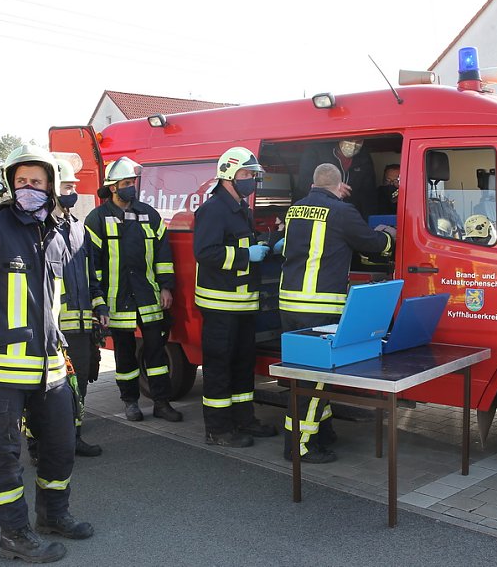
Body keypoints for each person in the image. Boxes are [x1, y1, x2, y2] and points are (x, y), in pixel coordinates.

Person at [0, 145, 92, 564]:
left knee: (61, 445)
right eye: (22, 181)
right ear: (10, 184)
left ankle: (53, 516)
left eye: (38, 182)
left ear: (50, 186)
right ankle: (14, 533)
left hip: (49, 368)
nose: (29, 189)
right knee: (4, 455)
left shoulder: (55, 232)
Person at [280, 163, 395, 463]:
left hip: (289, 305)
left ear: (313, 182)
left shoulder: (295, 209)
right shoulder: (342, 212)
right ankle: (299, 446)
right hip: (319, 307)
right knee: (314, 379)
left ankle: (322, 431)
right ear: (340, 184)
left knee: (304, 376)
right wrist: (389, 237)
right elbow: (370, 244)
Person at [83, 157, 181, 423]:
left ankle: (162, 402)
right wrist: (98, 300)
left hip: (149, 295)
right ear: (113, 187)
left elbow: (163, 255)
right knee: (124, 354)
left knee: (157, 352)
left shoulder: (150, 215)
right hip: (117, 299)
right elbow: (93, 264)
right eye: (126, 183)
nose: (132, 188)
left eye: (133, 183)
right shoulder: (97, 219)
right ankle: (130, 402)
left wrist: (166, 287)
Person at [194, 146, 278, 447]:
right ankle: (217, 429)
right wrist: (246, 255)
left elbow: (243, 244)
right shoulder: (213, 209)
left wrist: (266, 247)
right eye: (246, 174)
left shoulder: (241, 207)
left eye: (253, 175)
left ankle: (244, 419)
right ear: (229, 174)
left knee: (243, 363)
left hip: (243, 304)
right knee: (219, 367)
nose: (251, 180)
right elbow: (205, 253)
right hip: (220, 305)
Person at [52, 156, 104, 456]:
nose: (72, 190)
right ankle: (41, 444)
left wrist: (100, 309)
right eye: (66, 185)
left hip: (82, 326)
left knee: (79, 386)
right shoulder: (39, 228)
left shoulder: (77, 228)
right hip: (54, 328)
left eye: (73, 185)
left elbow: (91, 276)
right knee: (54, 391)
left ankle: (74, 437)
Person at [295, 139, 377, 221]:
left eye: (358, 141)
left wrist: (367, 222)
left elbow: (369, 193)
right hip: (318, 213)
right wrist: (330, 188)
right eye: (349, 139)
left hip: (349, 215)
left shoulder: (364, 157)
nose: (353, 144)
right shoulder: (317, 150)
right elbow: (303, 182)